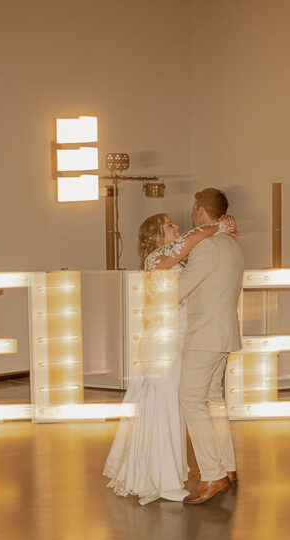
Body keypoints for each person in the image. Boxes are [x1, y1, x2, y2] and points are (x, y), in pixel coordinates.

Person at [103, 211, 237, 504]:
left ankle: (170, 471)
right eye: (169, 225)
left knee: (175, 404)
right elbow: (193, 237)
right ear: (155, 237)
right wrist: (218, 225)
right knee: (165, 404)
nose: (177, 227)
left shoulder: (176, 259)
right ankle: (161, 478)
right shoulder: (156, 258)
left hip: (178, 339)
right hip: (165, 341)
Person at [177, 188, 244, 505]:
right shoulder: (231, 244)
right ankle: (227, 468)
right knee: (214, 401)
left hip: (205, 335)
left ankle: (212, 475)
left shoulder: (207, 248)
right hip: (223, 333)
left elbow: (180, 290)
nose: (192, 214)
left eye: (194, 209)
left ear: (202, 212)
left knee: (191, 399)